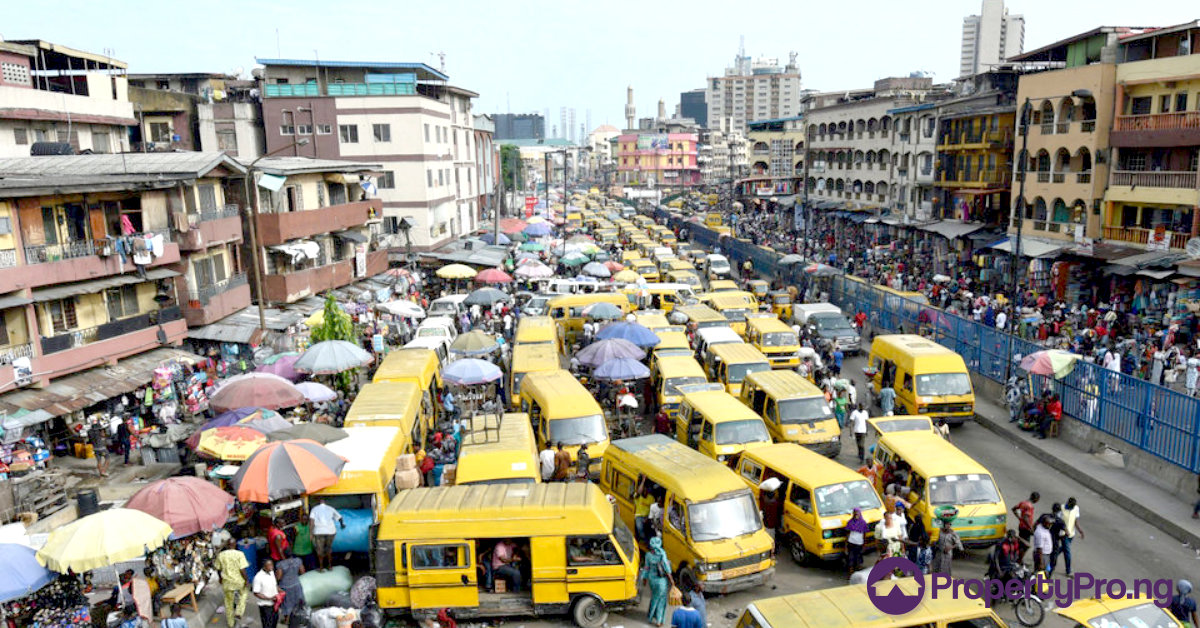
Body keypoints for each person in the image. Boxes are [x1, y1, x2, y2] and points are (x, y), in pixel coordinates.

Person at [639, 537, 675, 627]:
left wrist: (644, 579)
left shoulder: (648, 555)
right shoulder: (662, 553)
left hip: (652, 580)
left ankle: (650, 617)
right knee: (661, 600)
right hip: (661, 581)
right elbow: (666, 568)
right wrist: (671, 580)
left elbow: (646, 568)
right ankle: (659, 620)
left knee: (654, 598)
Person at [214, 538, 250, 628]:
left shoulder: (221, 555)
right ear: (235, 545)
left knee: (228, 603)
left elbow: (218, 569)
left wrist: (220, 578)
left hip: (227, 583)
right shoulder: (240, 554)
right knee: (244, 594)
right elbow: (242, 569)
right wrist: (246, 580)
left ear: (226, 545)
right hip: (238, 581)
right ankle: (239, 612)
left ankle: (231, 623)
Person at [275, 547, 306, 625]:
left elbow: (279, 577)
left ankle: (287, 620)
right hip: (296, 584)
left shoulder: (281, 564)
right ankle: (298, 619)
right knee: (298, 602)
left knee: (287, 604)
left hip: (285, 586)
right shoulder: (298, 561)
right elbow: (302, 571)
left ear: (284, 555)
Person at [309, 502, 345, 571]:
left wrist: (311, 533)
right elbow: (340, 517)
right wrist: (342, 525)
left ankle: (321, 568)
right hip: (330, 531)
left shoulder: (314, 509)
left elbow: (312, 522)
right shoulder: (330, 508)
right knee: (328, 549)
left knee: (320, 550)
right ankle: (330, 566)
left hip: (319, 532)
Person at [252, 558, 280, 628]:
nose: (272, 567)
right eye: (269, 565)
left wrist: (281, 591)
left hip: (274, 603)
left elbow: (274, 585)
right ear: (264, 567)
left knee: (275, 621)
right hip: (265, 605)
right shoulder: (258, 577)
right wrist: (269, 598)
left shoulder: (272, 572)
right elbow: (256, 593)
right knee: (267, 624)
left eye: (272, 565)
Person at [1012, 492, 1039, 561]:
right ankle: (1019, 560)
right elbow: (1025, 518)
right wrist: (1031, 528)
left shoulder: (1023, 503)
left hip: (1021, 526)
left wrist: (1019, 518)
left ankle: (1017, 558)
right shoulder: (1029, 506)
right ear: (1035, 499)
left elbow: (1014, 509)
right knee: (1025, 546)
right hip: (1026, 528)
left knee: (1021, 543)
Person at [1061, 496, 1084, 576]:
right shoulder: (1062, 508)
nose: (1071, 507)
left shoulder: (1076, 508)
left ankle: (1049, 559)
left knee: (1061, 549)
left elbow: (1076, 522)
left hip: (1071, 534)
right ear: (1068, 502)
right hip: (1063, 534)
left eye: (1073, 506)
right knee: (1067, 552)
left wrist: (1080, 531)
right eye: (1071, 506)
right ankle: (1068, 570)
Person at [845, 508, 869, 579]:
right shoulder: (850, 522)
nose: (856, 515)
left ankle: (858, 576)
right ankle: (850, 575)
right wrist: (846, 546)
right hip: (851, 543)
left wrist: (864, 545)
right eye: (855, 513)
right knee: (850, 559)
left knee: (858, 559)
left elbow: (864, 535)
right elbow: (847, 534)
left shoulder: (863, 523)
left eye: (857, 513)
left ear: (860, 514)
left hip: (859, 544)